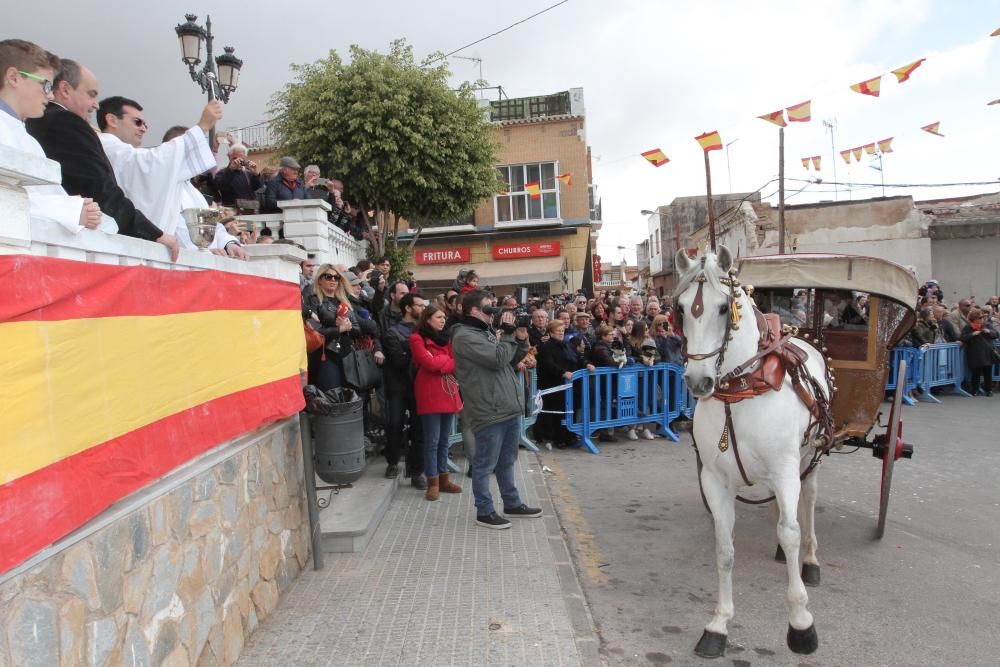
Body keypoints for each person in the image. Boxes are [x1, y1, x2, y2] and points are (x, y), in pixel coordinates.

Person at [24, 58, 178, 259]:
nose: (96, 105)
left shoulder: (35, 122)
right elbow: (98, 188)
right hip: (74, 247)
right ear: (65, 89)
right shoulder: (66, 122)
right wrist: (153, 233)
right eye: (91, 94)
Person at [452, 290, 541, 529]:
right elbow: (497, 359)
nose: (493, 314)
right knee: (484, 464)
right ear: (473, 311)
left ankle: (511, 502)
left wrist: (520, 338)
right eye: (488, 309)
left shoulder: (485, 332)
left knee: (507, 460)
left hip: (506, 406)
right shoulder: (464, 336)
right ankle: (485, 510)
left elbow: (509, 360)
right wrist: (509, 335)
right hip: (488, 408)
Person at [0, 40, 102, 233]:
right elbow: (7, 200)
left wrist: (77, 207)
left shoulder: (25, 136)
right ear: (13, 78)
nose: (51, 96)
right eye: (45, 85)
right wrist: (70, 211)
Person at [97, 96, 222, 250]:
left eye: (145, 124)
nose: (143, 128)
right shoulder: (107, 146)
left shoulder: (123, 151)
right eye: (137, 122)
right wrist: (202, 126)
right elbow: (150, 163)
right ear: (112, 120)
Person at [410, 305, 463, 501]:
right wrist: (444, 361)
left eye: (444, 317)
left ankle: (443, 479)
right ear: (428, 318)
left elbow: (455, 361)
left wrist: (439, 360)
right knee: (431, 441)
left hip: (447, 390)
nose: (443, 320)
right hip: (429, 392)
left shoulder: (448, 338)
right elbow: (427, 363)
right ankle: (432, 481)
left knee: (444, 440)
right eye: (439, 317)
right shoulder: (417, 338)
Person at [382, 292, 426, 486]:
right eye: (419, 305)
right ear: (408, 308)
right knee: (395, 424)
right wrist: (416, 348)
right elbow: (399, 360)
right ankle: (392, 462)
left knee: (419, 429)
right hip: (398, 386)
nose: (423, 309)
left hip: (419, 386)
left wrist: (409, 348)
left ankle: (416, 472)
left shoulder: (424, 330)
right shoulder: (393, 331)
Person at [536, 319, 589, 449]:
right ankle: (557, 438)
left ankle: (569, 436)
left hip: (571, 383)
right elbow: (549, 364)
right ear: (551, 332)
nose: (561, 333)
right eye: (558, 331)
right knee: (557, 411)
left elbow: (578, 358)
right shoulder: (547, 347)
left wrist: (587, 364)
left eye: (562, 330)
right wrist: (562, 372)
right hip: (554, 384)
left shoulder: (567, 344)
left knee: (570, 410)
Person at [304, 264, 358, 391]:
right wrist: (339, 329)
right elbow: (315, 332)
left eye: (336, 277)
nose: (333, 280)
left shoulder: (345, 302)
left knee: (350, 396)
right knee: (332, 396)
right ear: (320, 280)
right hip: (325, 355)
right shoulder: (314, 301)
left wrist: (349, 327)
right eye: (328, 277)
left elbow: (357, 329)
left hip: (346, 354)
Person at [959, 308, 998, 396]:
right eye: (979, 318)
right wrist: (972, 334)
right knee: (976, 373)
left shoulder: (987, 325)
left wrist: (989, 331)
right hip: (975, 353)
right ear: (974, 319)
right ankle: (974, 390)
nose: (981, 319)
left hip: (988, 352)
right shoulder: (968, 327)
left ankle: (989, 390)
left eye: (982, 317)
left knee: (988, 373)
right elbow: (962, 337)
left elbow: (996, 334)